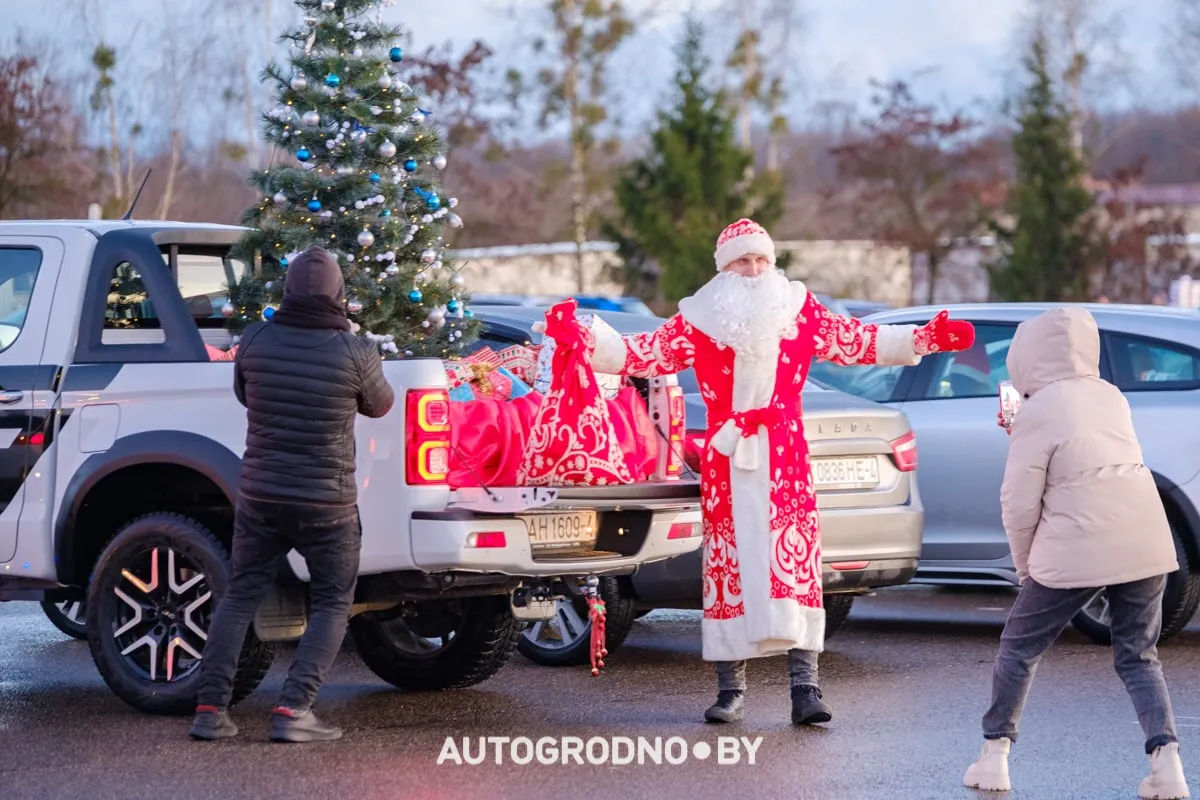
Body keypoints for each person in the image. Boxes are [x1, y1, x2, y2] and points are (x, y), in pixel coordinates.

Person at [562, 219, 975, 724]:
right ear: (724, 268)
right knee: (728, 568)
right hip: (728, 459)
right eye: (742, 260)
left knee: (794, 566)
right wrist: (585, 338)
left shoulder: (799, 311)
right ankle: (730, 690)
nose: (754, 270)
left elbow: (857, 342)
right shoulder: (699, 319)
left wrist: (924, 339)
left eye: (761, 259)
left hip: (785, 456)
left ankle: (806, 688)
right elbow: (641, 354)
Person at [963, 307, 1188, 798]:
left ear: (1026, 358)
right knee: (1138, 655)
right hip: (1146, 538)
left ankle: (994, 757)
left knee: (1019, 648)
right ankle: (1167, 764)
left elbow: (1018, 502)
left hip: (1076, 545)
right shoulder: (1111, 396)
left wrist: (1026, 567)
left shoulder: (1037, 411)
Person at [189, 246, 394, 743]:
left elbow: (244, 392)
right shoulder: (355, 351)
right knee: (331, 602)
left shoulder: (256, 339)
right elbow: (381, 406)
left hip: (260, 496)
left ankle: (210, 711)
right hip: (327, 504)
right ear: (340, 292)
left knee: (238, 597)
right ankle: (292, 708)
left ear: (287, 289)